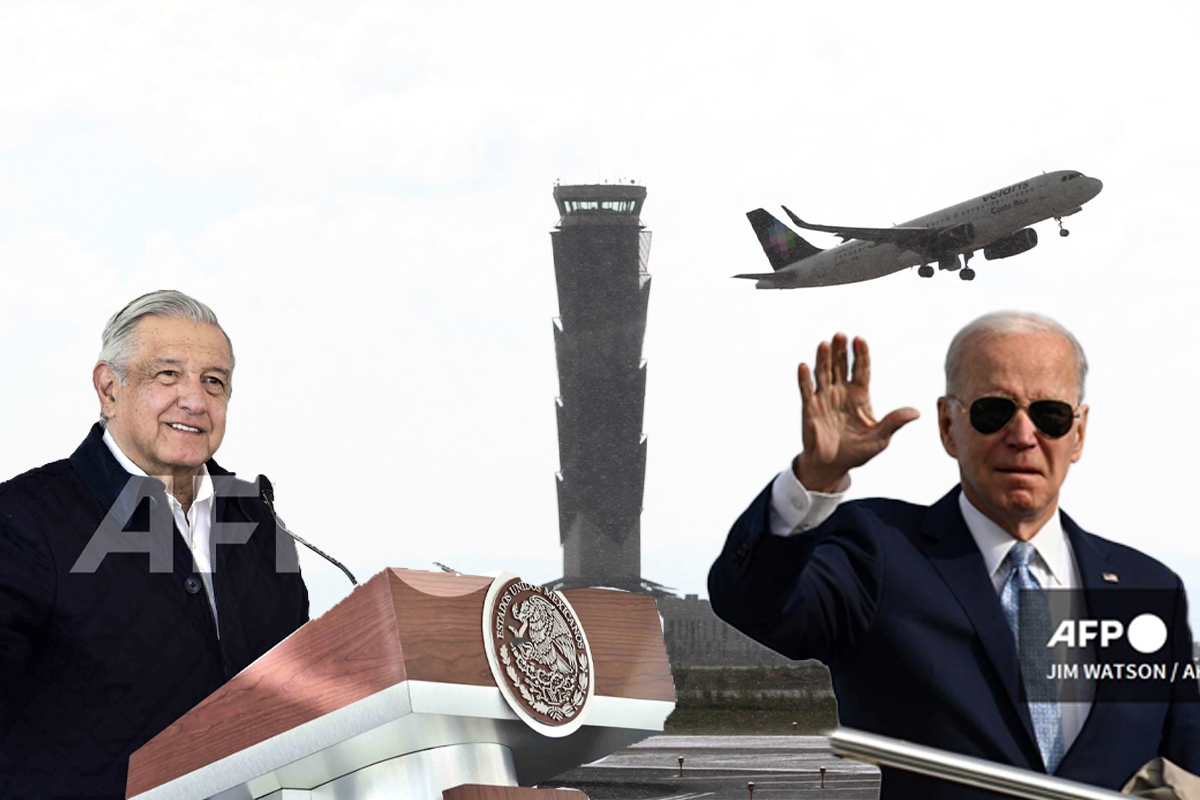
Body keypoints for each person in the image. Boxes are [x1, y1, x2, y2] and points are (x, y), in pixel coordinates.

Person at [708, 312, 1200, 799]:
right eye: (994, 411)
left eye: (1050, 415)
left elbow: (1185, 759)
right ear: (948, 424)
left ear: (1079, 433)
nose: (1023, 436)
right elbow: (752, 602)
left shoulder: (1149, 589)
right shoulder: (878, 554)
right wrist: (813, 480)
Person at [0, 290, 309, 799]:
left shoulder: (259, 520)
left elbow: (300, 687)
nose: (194, 399)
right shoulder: (23, 518)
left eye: (215, 382)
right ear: (108, 388)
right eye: (167, 375)